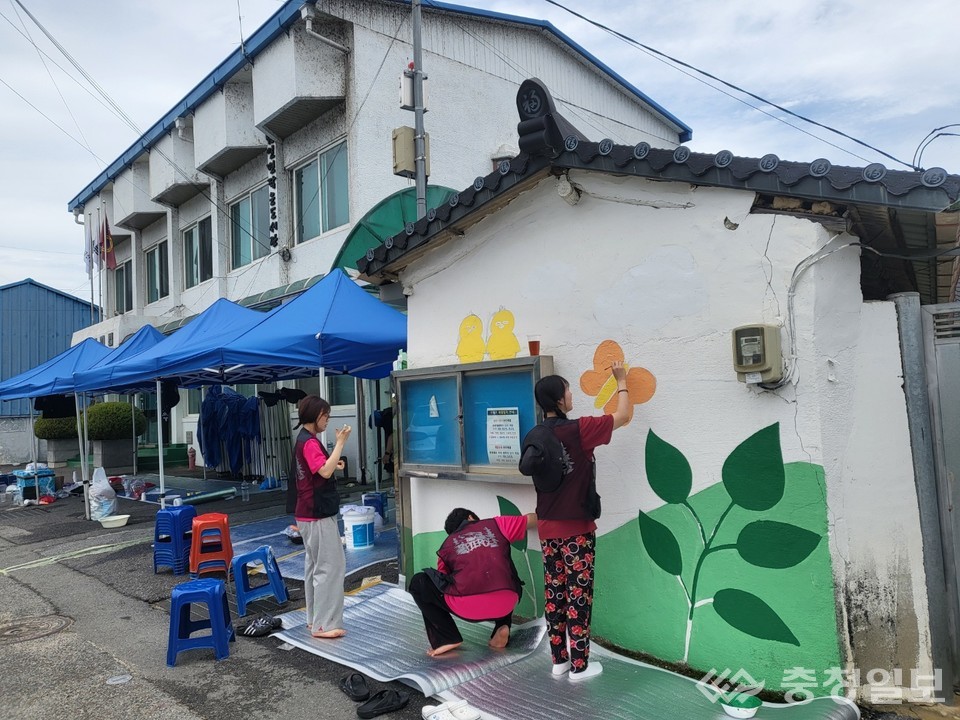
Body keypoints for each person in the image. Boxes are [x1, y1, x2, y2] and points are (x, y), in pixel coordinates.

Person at [533, 360, 630, 681]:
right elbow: (623, 416)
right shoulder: (580, 429)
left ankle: (558, 661)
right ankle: (579, 666)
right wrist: (621, 380)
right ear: (559, 400)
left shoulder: (534, 435)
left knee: (555, 594)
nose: (572, 395)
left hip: (547, 527)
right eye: (568, 391)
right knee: (579, 596)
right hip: (576, 529)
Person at [408, 507, 537, 657]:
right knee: (502, 575)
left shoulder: (447, 546)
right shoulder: (497, 524)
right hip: (506, 603)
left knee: (419, 582)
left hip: (468, 608)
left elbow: (442, 583)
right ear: (470, 517)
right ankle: (503, 626)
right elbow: (531, 519)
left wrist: (434, 618)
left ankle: (446, 638)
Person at [286, 394, 352, 638]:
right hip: (317, 514)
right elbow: (323, 471)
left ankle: (315, 619)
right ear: (316, 415)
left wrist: (335, 462)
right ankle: (325, 624)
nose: (327, 420)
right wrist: (340, 443)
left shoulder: (303, 439)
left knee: (315, 567)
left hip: (306, 513)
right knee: (330, 567)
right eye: (326, 415)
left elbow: (320, 468)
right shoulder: (310, 443)